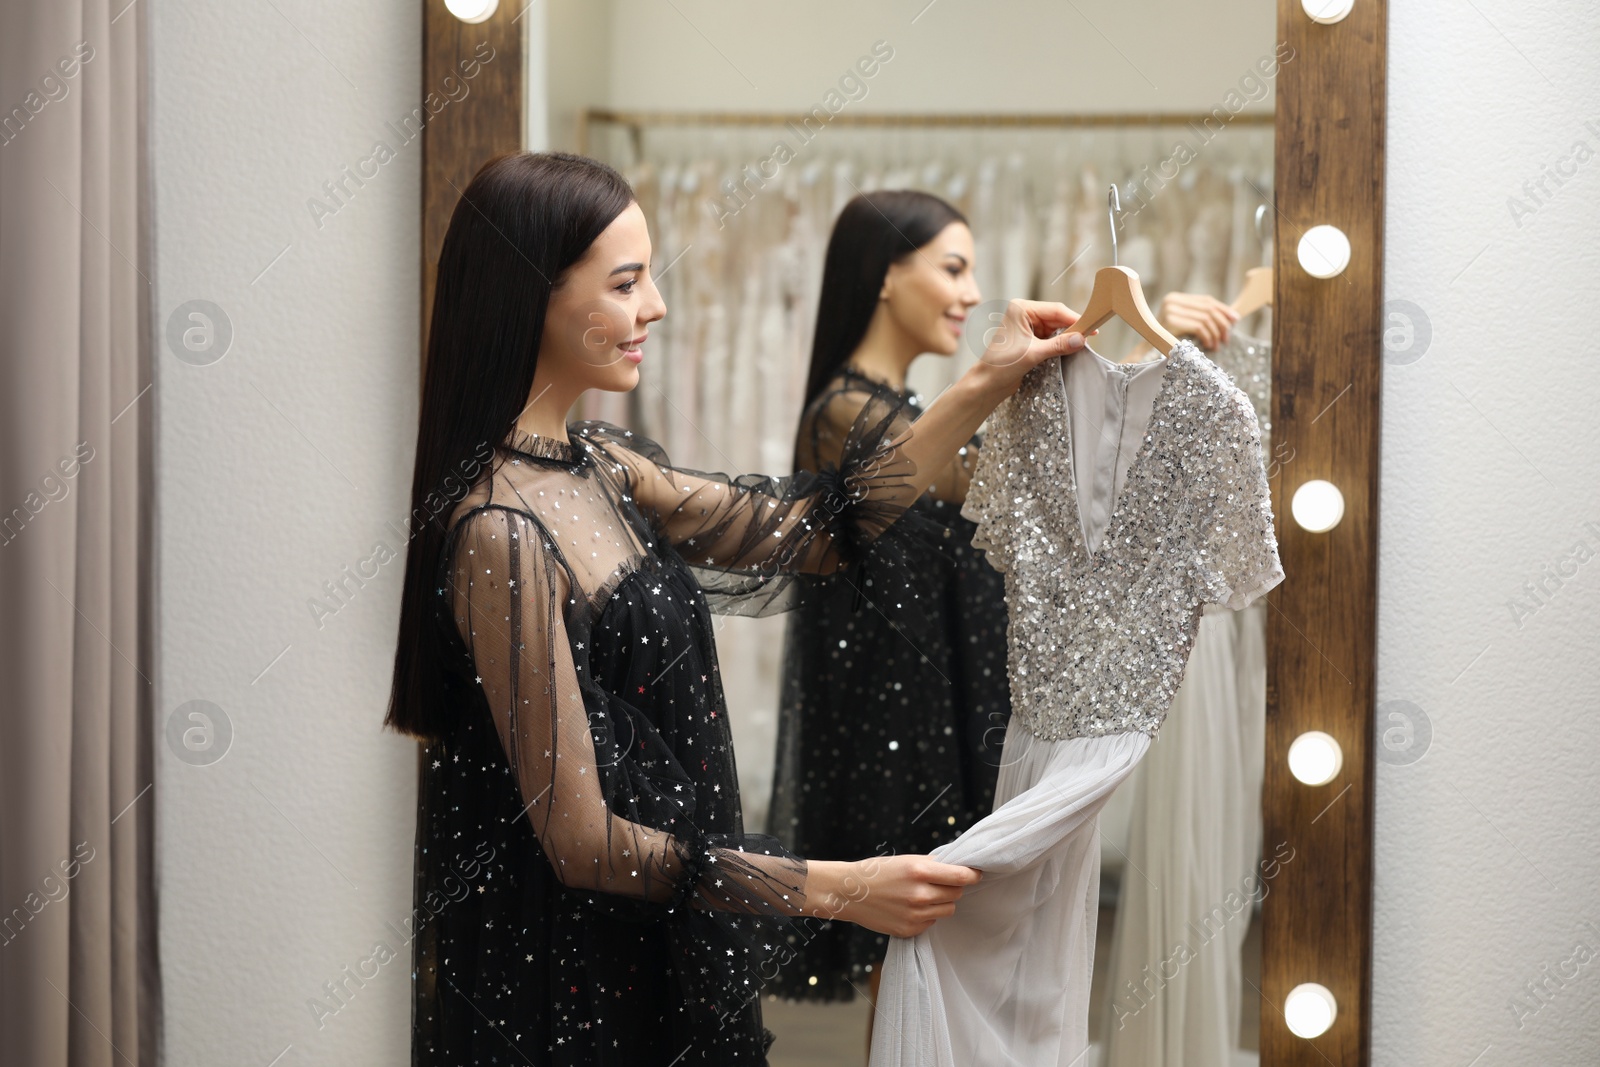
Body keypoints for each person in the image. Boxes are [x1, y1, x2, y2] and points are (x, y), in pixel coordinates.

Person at [383, 151, 1087, 1066]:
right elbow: (582, 839)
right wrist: (839, 887)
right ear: (532, 295)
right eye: (628, 282)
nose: (657, 308)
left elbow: (816, 529)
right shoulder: (501, 531)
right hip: (569, 980)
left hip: (652, 939)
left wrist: (985, 380)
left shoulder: (604, 465)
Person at [766, 191, 1010, 1027]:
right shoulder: (845, 413)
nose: (972, 293)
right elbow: (963, 483)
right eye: (953, 267)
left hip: (938, 714)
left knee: (939, 969)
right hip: (895, 730)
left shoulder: (902, 410)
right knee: (915, 962)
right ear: (884, 275)